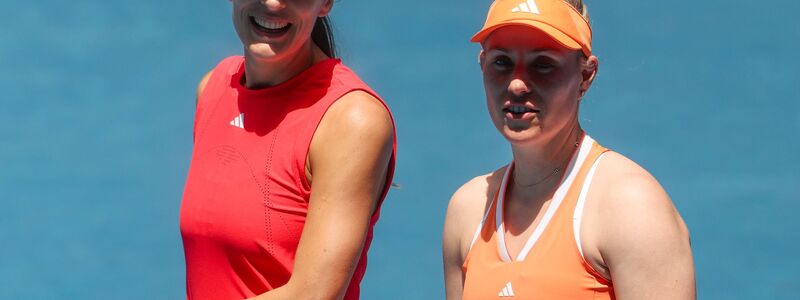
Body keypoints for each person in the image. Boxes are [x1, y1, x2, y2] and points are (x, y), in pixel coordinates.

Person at [442, 0, 695, 299]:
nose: (517, 84)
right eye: (502, 62)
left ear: (585, 76)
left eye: (543, 64)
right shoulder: (469, 211)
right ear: (482, 64)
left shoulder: (630, 207)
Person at [179, 0, 396, 299]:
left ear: (326, 3)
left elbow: (314, 294)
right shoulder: (212, 90)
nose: (271, 2)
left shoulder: (351, 120)